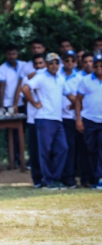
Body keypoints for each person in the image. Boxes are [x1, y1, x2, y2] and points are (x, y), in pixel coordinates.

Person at [22, 53, 76, 189]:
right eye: (51, 63)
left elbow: (69, 94)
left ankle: (55, 177)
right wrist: (35, 103)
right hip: (44, 117)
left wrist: (76, 104)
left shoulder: (61, 78)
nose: (54, 65)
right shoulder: (41, 77)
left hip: (57, 118)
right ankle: (47, 179)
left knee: (63, 148)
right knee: (45, 151)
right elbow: (25, 88)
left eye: (56, 62)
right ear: (46, 64)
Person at [19, 54, 47, 187]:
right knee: (35, 150)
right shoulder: (28, 78)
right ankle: (37, 179)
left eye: (41, 63)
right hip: (33, 118)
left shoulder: (51, 78)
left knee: (47, 149)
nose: (39, 66)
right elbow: (23, 96)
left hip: (47, 117)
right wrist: (34, 103)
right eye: (36, 64)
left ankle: (48, 177)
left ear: (45, 63)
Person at [75, 54, 102, 190]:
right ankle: (92, 178)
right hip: (89, 120)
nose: (98, 68)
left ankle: (100, 178)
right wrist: (78, 119)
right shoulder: (85, 80)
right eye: (96, 65)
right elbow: (78, 100)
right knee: (90, 149)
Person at [0, 44, 25, 167]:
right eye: (9, 54)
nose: (11, 56)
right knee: (11, 133)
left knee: (23, 132)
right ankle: (14, 159)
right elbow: (1, 88)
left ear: (17, 54)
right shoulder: (1, 69)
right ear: (5, 55)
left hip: (23, 102)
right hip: (9, 104)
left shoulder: (24, 65)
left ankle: (23, 158)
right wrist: (1, 106)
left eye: (13, 54)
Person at [59, 50, 82, 188]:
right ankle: (59, 176)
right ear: (63, 61)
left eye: (72, 60)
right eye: (66, 60)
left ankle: (69, 176)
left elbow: (81, 97)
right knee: (59, 148)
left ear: (76, 62)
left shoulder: (79, 78)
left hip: (71, 117)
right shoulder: (57, 75)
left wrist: (75, 104)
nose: (69, 63)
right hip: (56, 116)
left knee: (70, 147)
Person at [77, 52, 95, 187]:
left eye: (91, 61)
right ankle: (85, 178)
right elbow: (77, 100)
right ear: (82, 63)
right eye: (86, 62)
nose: (89, 64)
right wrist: (79, 119)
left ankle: (96, 177)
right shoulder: (79, 78)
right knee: (85, 150)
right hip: (85, 119)